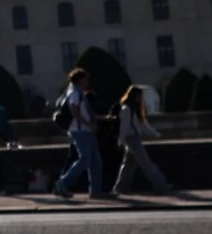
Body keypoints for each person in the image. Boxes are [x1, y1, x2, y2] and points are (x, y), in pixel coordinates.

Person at [53, 67, 108, 200]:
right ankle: (62, 183)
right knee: (85, 160)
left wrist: (101, 118)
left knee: (95, 161)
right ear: (80, 79)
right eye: (86, 78)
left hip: (85, 130)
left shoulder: (77, 92)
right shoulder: (74, 93)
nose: (87, 81)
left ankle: (96, 191)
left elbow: (84, 113)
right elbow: (75, 112)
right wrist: (90, 124)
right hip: (79, 131)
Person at [113, 84, 171, 195]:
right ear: (134, 96)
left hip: (133, 138)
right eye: (139, 96)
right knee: (146, 164)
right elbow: (124, 127)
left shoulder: (132, 110)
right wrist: (121, 140)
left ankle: (120, 188)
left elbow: (144, 126)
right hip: (132, 139)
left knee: (128, 165)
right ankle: (161, 185)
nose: (141, 99)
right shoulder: (127, 109)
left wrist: (157, 135)